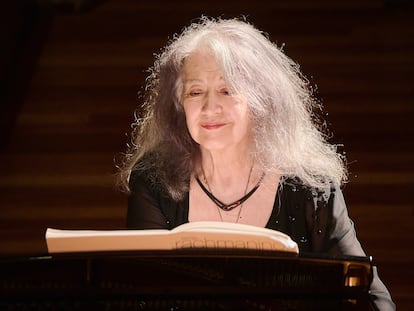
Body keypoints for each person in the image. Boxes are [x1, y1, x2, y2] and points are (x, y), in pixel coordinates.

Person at [117, 17, 395, 310]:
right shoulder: (153, 179)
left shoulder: (310, 185)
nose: (210, 108)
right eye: (195, 92)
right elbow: (143, 297)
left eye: (227, 90)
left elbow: (369, 296)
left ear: (260, 100)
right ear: (179, 104)